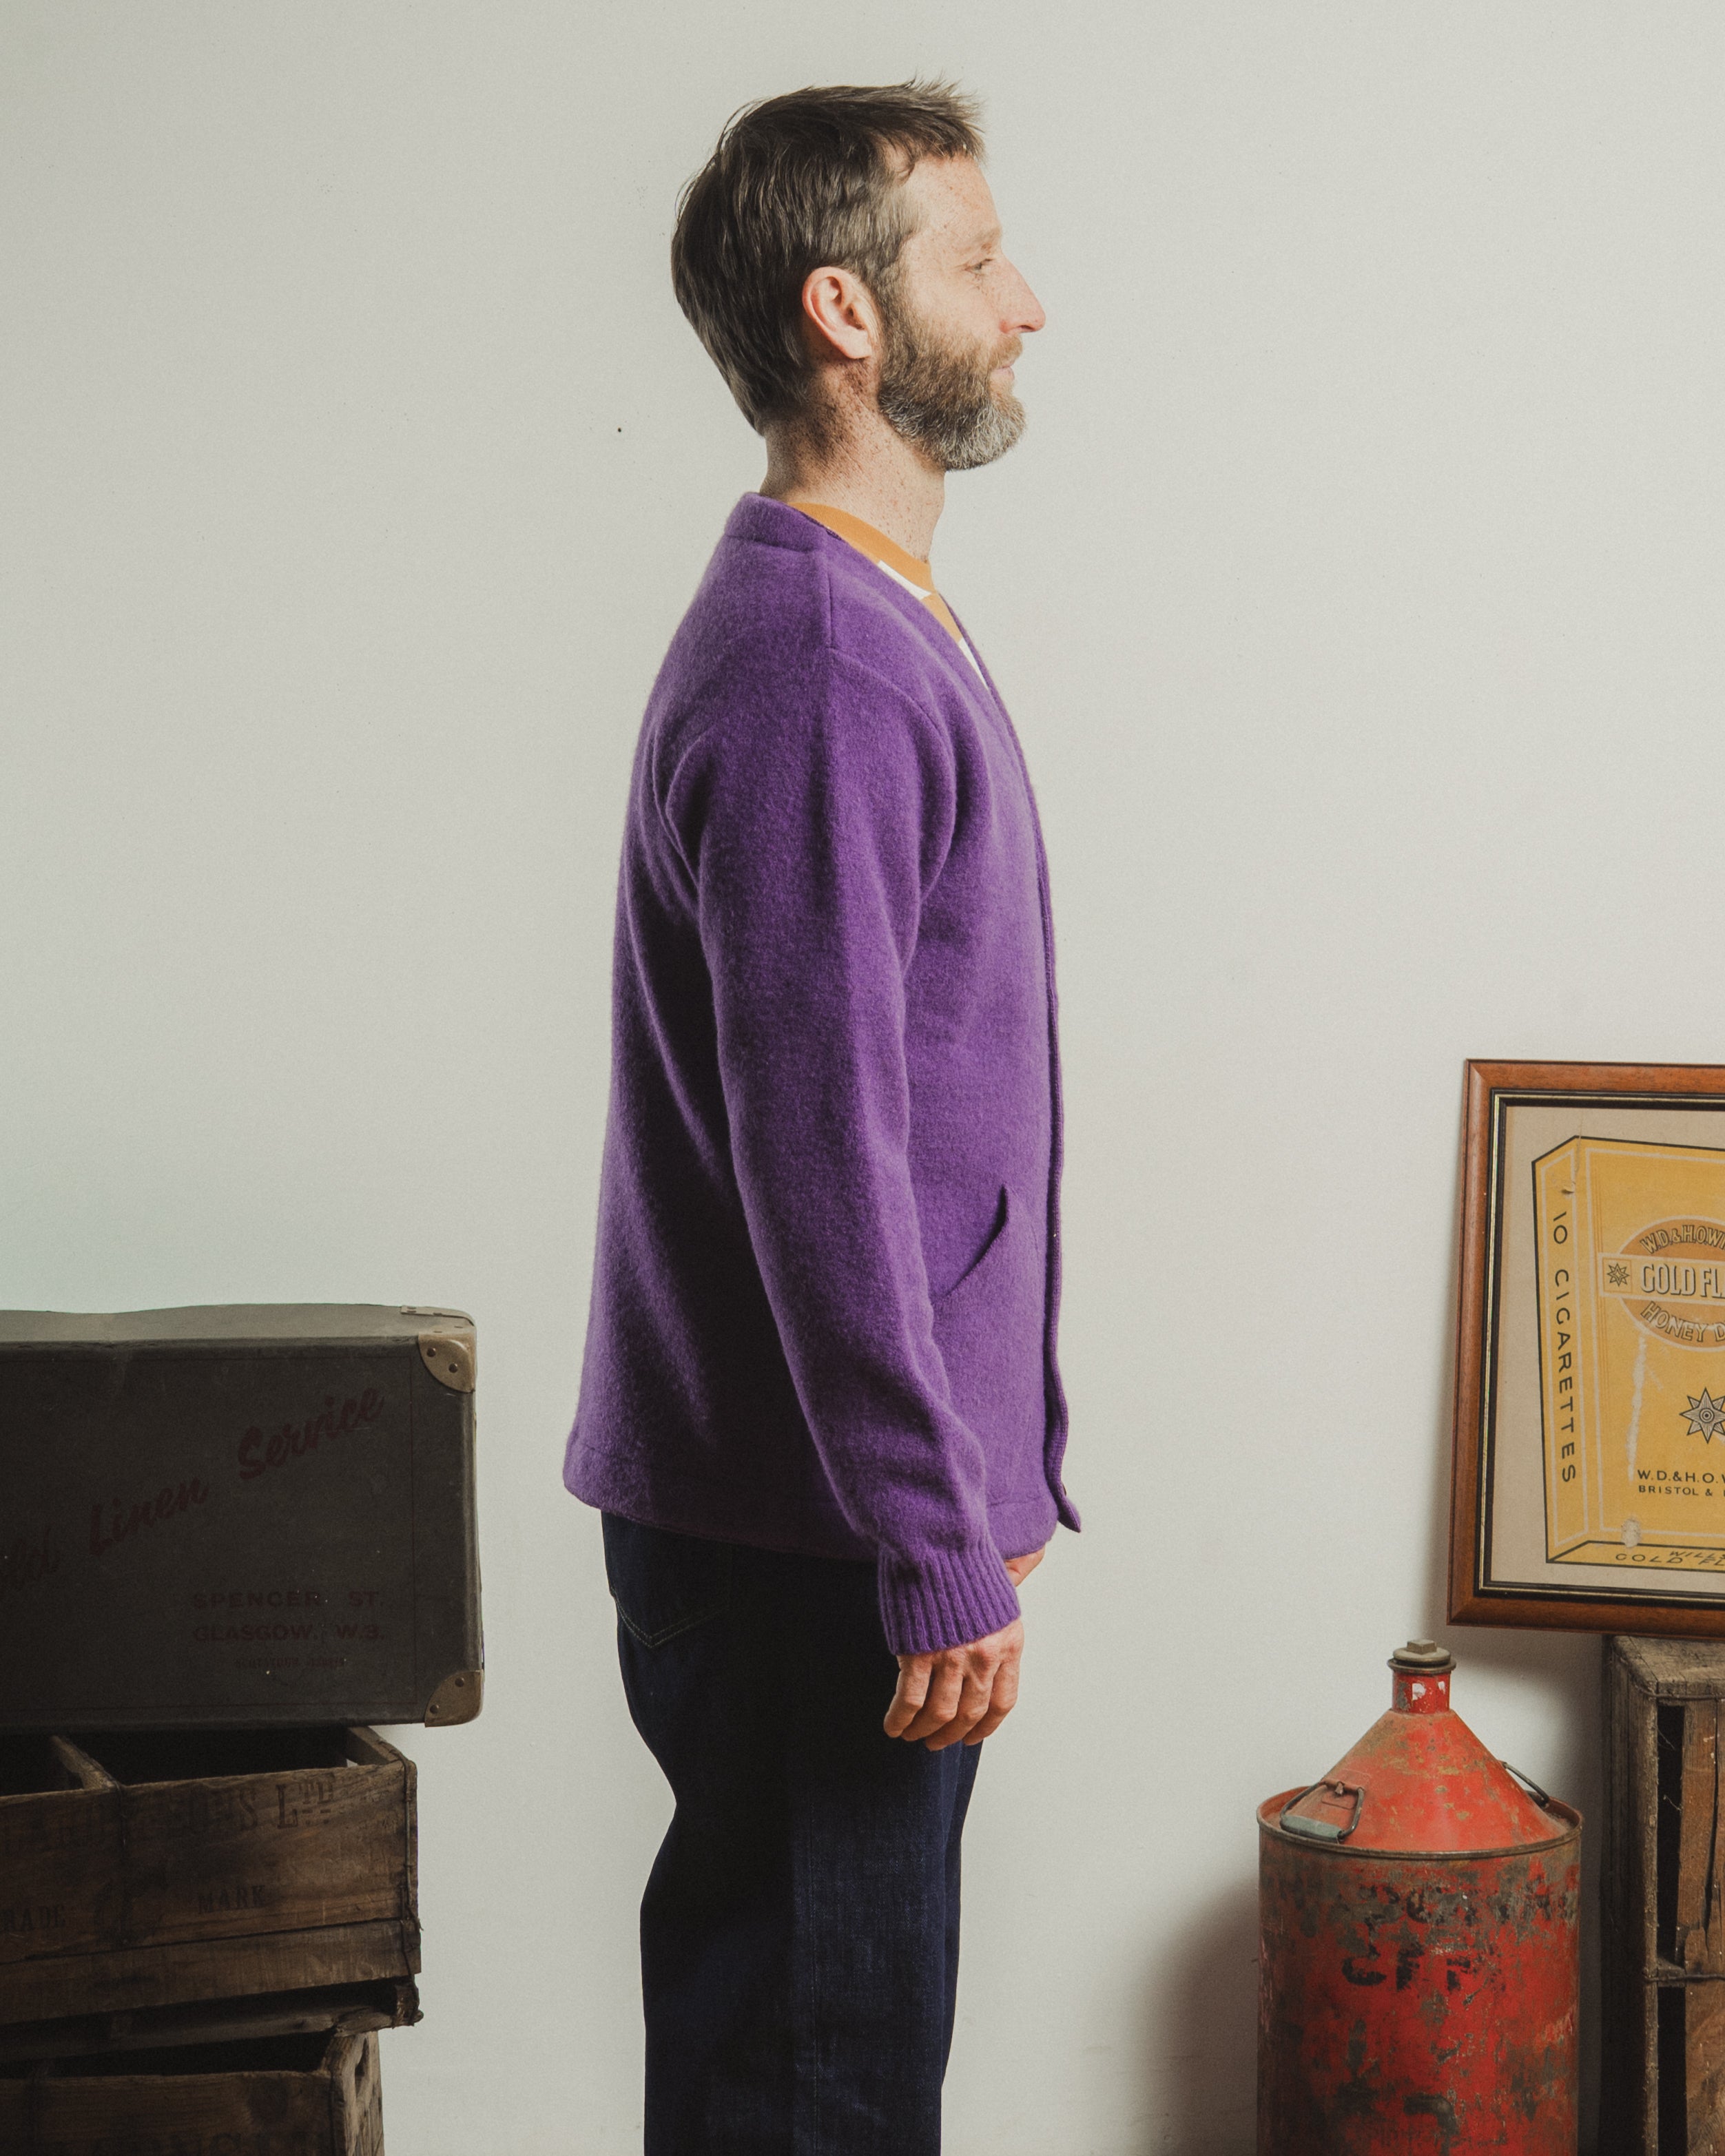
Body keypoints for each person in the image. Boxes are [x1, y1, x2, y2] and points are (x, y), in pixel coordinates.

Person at [565, 78, 1075, 2155]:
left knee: (811, 2058)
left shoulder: (857, 617)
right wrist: (929, 1536)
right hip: (818, 1541)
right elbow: (819, 1155)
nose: (1028, 302)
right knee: (822, 2089)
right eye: (977, 260)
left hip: (815, 1515)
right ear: (846, 312)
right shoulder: (821, 665)